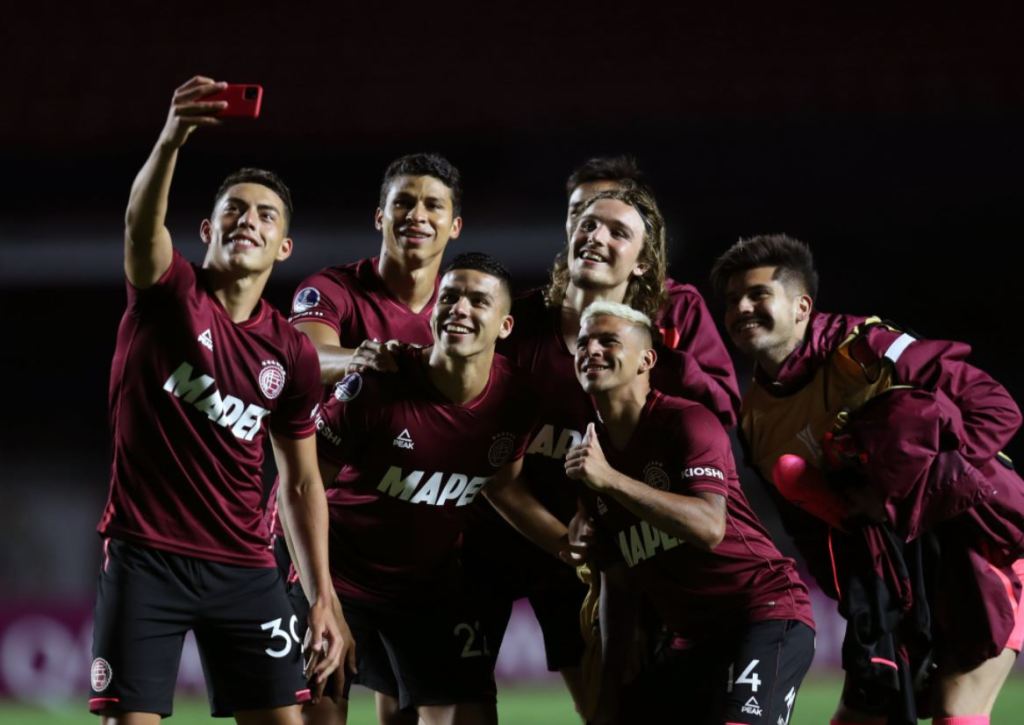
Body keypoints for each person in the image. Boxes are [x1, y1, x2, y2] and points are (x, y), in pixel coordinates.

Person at [89, 76, 352, 724]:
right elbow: (138, 221)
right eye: (235, 208)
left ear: (283, 246)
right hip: (145, 557)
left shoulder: (291, 353)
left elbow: (300, 481)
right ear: (207, 228)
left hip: (244, 567)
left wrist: (322, 595)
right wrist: (173, 136)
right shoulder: (168, 293)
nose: (249, 221)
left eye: (266, 215)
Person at [463, 158, 740, 716]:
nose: (595, 234)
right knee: (452, 701)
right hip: (505, 540)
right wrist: (564, 540)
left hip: (610, 552)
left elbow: (713, 424)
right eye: (586, 221)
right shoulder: (515, 325)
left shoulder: (660, 337)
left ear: (645, 264)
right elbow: (487, 464)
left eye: (618, 229)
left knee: (618, 706)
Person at [711, 234, 1024, 725]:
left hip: (981, 541)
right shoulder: (754, 423)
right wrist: (861, 603)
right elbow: (811, 530)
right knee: (864, 711)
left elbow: (996, 408)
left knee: (956, 709)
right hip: (894, 571)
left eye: (757, 295)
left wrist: (905, 501)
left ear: (801, 307)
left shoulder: (865, 349)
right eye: (731, 301)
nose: (741, 309)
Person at [308, 252, 572, 725]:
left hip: (425, 590)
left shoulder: (517, 401)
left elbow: (503, 486)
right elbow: (304, 488)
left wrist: (571, 546)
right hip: (339, 579)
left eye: (478, 301)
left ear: (505, 325)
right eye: (448, 297)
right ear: (432, 313)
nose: (460, 309)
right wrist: (318, 598)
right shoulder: (373, 386)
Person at [564, 300, 815, 725]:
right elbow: (617, 580)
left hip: (764, 612)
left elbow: (708, 526)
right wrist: (610, 688)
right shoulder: (592, 457)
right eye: (584, 342)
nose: (591, 350)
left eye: (608, 340)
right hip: (693, 641)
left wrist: (610, 480)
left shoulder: (688, 422)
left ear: (646, 359)